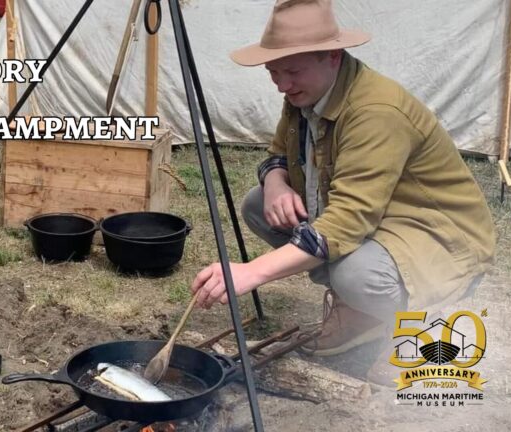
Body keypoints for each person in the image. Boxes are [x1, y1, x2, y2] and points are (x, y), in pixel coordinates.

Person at [191, 0, 495, 382]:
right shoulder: (306, 93)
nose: (282, 84)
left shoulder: (376, 112)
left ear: (332, 56)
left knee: (356, 273)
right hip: (378, 220)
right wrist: (275, 184)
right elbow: (277, 154)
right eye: (273, 72)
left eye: (292, 71)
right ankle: (359, 312)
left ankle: (422, 319)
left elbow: (348, 222)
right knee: (258, 205)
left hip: (439, 236)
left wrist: (251, 273)